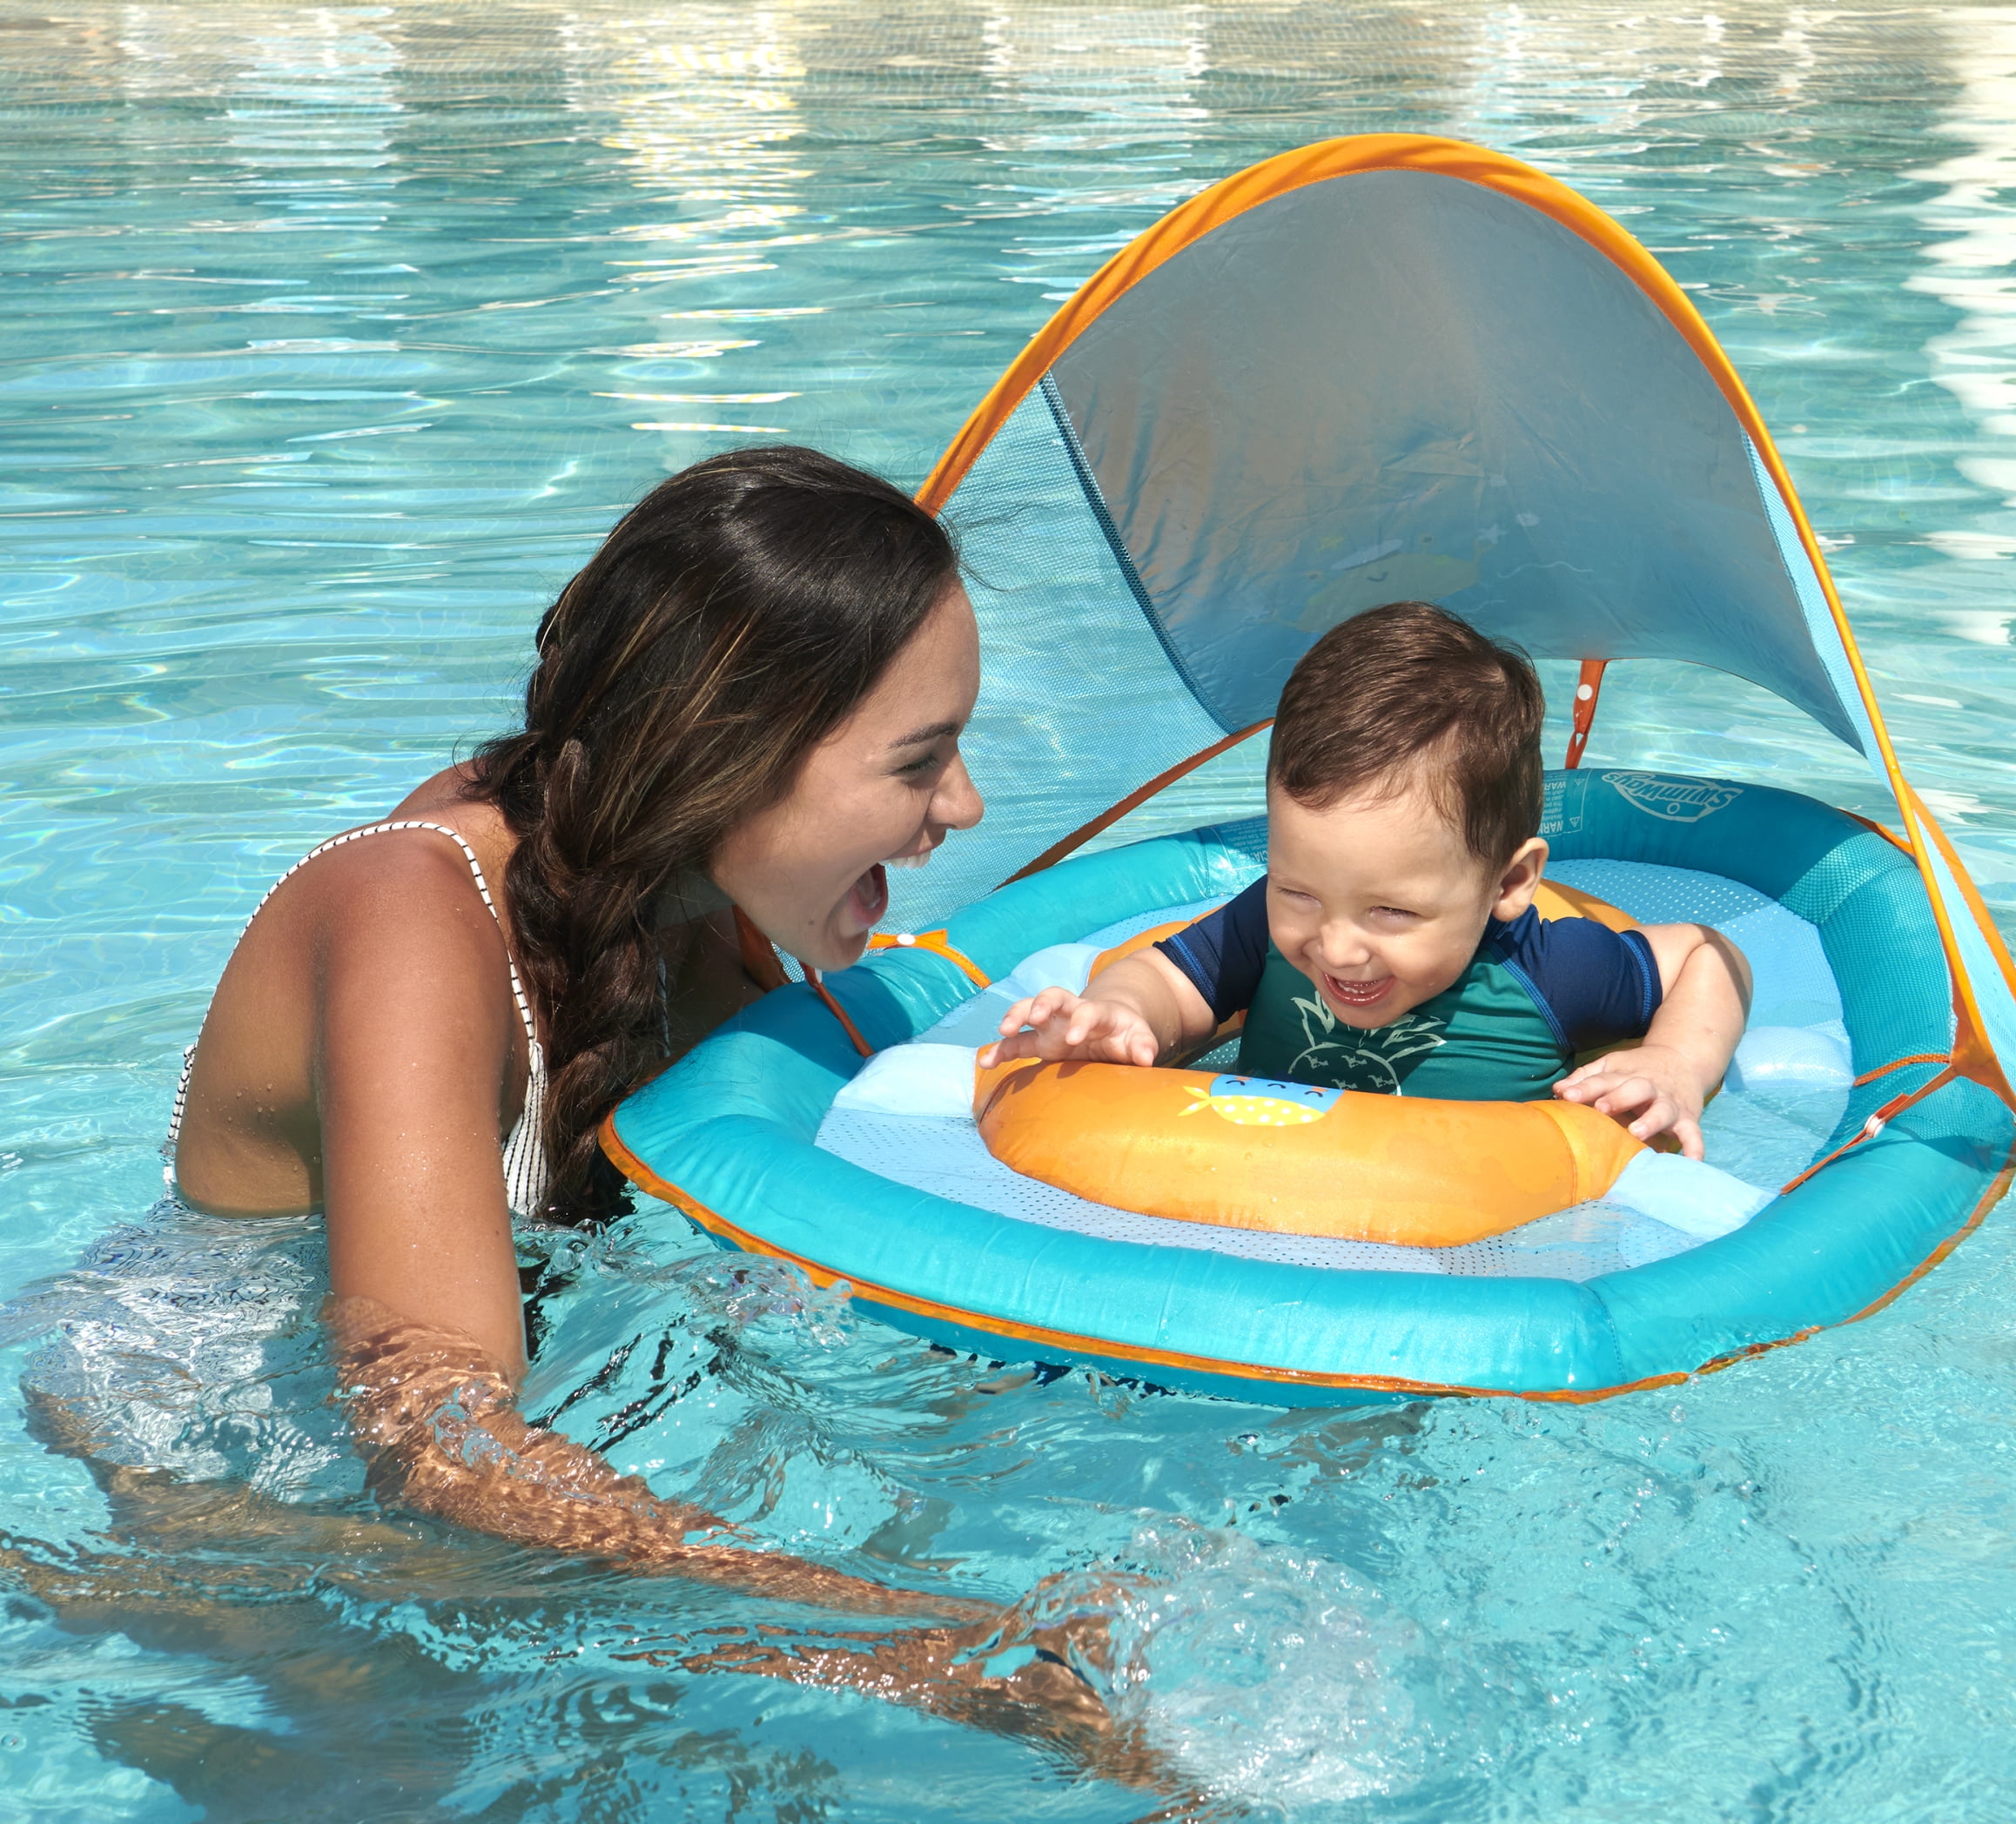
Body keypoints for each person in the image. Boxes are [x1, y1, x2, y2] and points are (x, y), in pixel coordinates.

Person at [162, 446, 1110, 1746]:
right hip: (228, 1514)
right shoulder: (412, 925)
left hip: (470, 1489)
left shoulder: (695, 907)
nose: (965, 804)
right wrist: (915, 1645)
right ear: (729, 759)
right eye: (918, 761)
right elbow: (429, 1443)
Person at [983, 601, 1751, 1157]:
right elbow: (1168, 982)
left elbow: (1707, 954)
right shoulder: (1265, 931)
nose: (1337, 947)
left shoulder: (1552, 971)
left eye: (1389, 910)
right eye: (1299, 891)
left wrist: (1677, 1063)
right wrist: (1119, 1014)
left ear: (1510, 883)